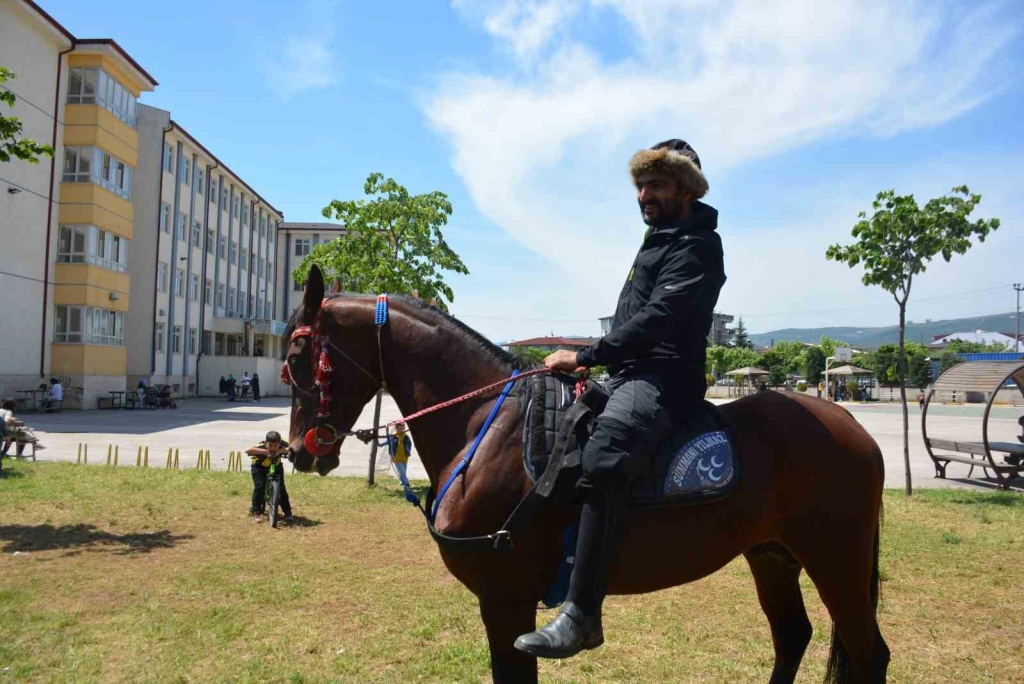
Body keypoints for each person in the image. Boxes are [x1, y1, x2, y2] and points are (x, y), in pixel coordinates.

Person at [515, 139, 725, 659]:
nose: (644, 195)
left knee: (607, 451)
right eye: (641, 185)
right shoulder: (658, 239)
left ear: (686, 189)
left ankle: (583, 615)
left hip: (666, 378)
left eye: (657, 185)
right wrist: (601, 362)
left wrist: (587, 355)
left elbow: (659, 319)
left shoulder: (698, 245)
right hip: (630, 371)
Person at [246, 430, 293, 523]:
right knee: (259, 487)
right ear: (266, 442)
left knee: (282, 488)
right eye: (270, 445)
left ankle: (287, 512)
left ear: (279, 443)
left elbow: (292, 448)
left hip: (276, 465)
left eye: (276, 445)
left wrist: (280, 451)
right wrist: (264, 452)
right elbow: (248, 450)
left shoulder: (282, 444)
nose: (273, 448)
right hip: (259, 467)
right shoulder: (261, 445)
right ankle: (256, 512)